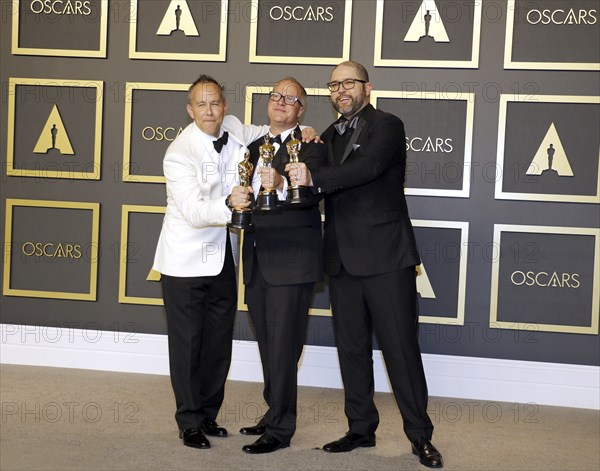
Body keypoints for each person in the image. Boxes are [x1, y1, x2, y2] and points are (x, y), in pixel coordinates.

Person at [287, 61, 443, 468]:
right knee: (352, 350)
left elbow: (367, 168)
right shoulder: (324, 137)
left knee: (400, 350)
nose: (341, 90)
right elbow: (308, 188)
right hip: (341, 259)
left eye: (349, 83)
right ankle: (360, 428)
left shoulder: (388, 125)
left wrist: (314, 173)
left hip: (386, 258)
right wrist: (298, 161)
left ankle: (420, 436)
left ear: (367, 87)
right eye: (334, 85)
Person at [152, 75, 271, 450]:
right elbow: (192, 211)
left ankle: (208, 414)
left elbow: (264, 131)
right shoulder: (178, 153)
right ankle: (188, 421)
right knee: (188, 345)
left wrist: (303, 129)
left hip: (221, 259)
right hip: (184, 262)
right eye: (201, 105)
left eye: (215, 103)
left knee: (218, 343)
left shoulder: (233, 128)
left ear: (225, 106)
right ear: (190, 110)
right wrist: (230, 204)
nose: (209, 111)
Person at [238, 78, 327, 454]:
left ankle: (281, 428)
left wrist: (279, 182)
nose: (280, 102)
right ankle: (274, 409)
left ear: (301, 109)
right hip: (257, 256)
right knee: (268, 341)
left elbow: (311, 194)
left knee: (284, 342)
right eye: (276, 96)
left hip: (292, 258)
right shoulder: (252, 146)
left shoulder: (311, 146)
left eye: (290, 99)